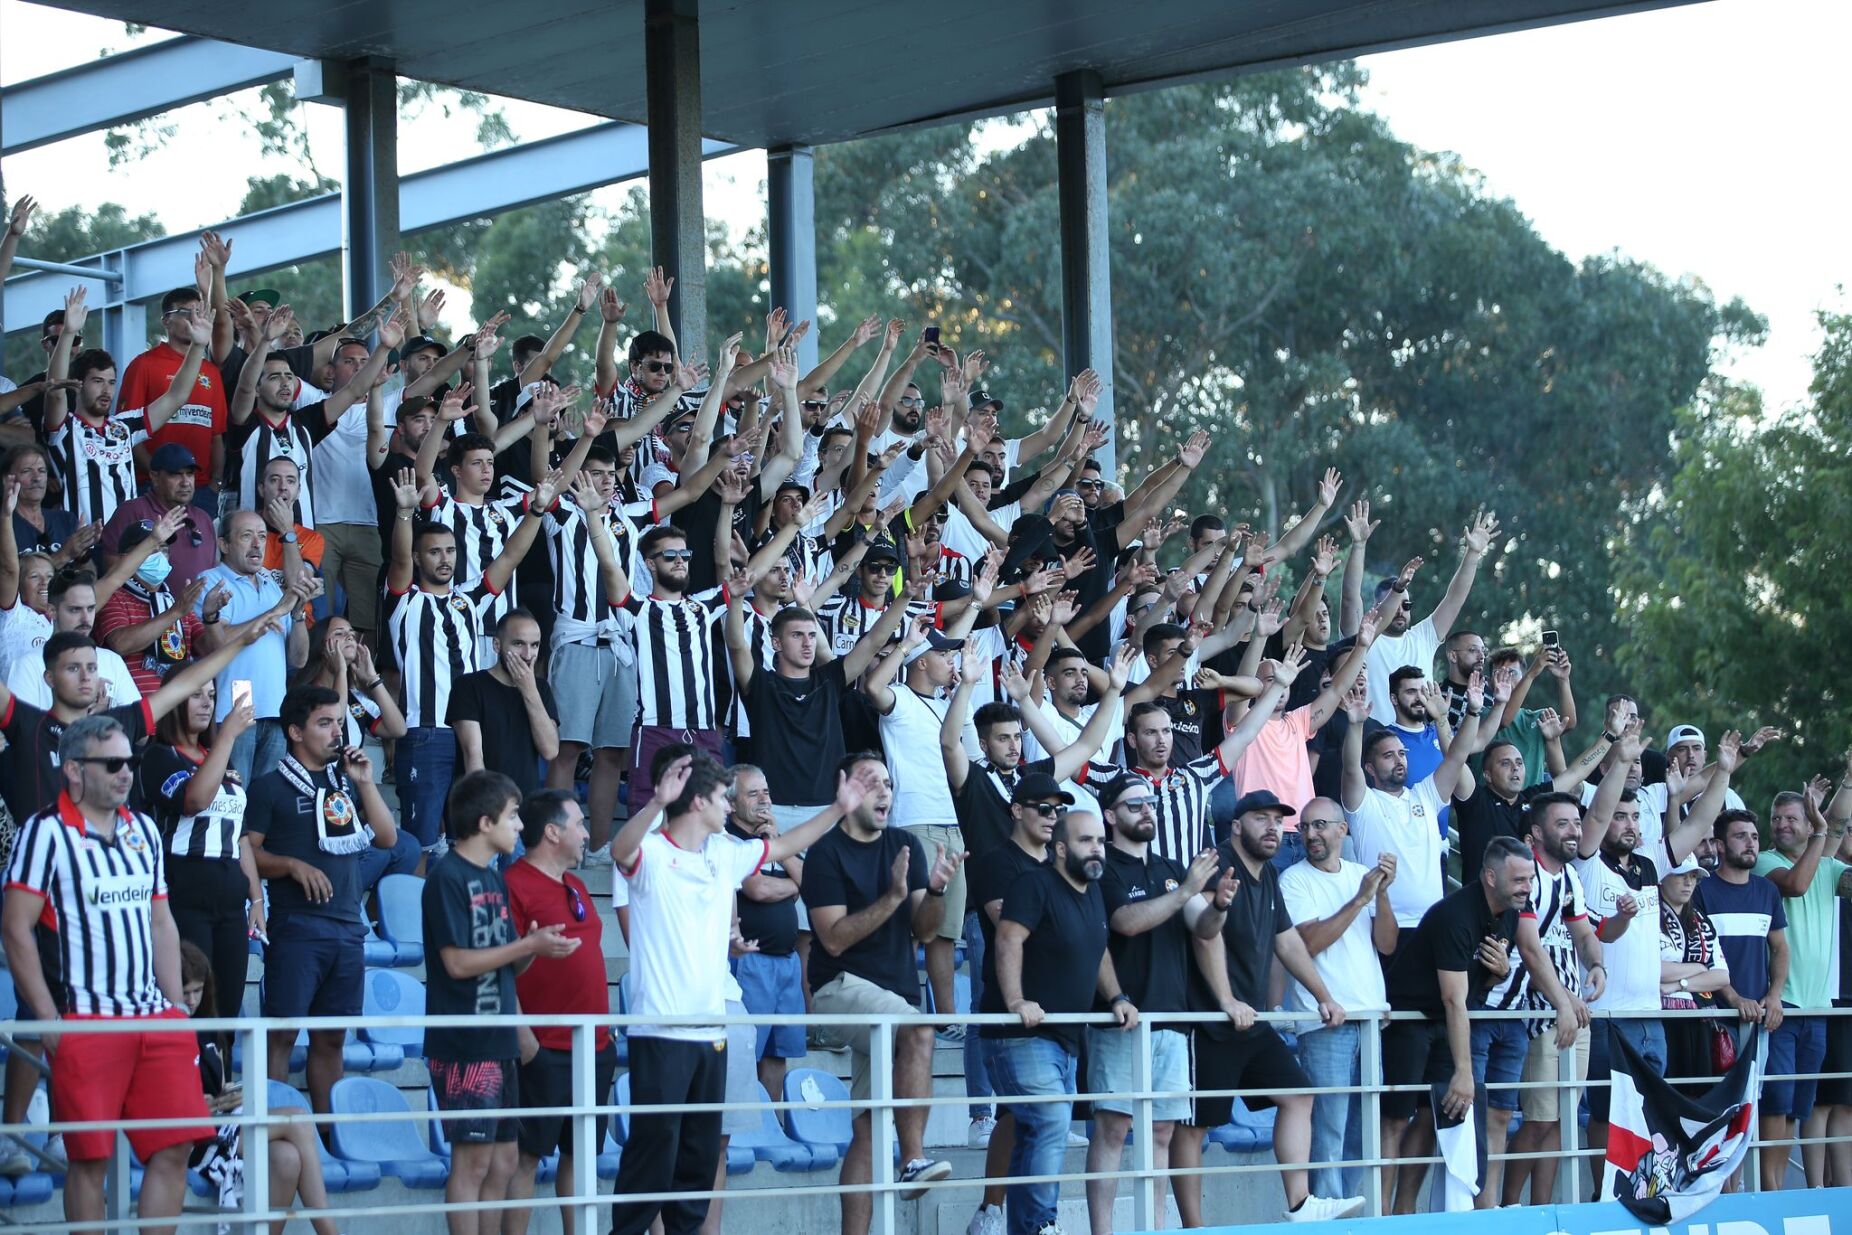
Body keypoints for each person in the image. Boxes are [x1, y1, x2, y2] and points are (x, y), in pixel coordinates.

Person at [609, 750, 863, 1235]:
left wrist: (837, 809)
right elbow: (622, 852)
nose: (730, 808)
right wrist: (654, 803)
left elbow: (785, 844)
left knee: (698, 1165)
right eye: (723, 798)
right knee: (650, 1163)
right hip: (661, 1033)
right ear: (698, 800)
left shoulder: (723, 854)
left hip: (713, 1034)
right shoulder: (654, 852)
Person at [1, 714, 214, 1235]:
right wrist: (52, 1024)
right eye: (113, 763)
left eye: (131, 762)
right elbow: (15, 929)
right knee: (90, 1160)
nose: (126, 773)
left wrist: (175, 1009)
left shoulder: (143, 829)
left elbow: (161, 922)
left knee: (175, 1146)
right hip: (86, 1022)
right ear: (73, 770)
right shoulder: (44, 833)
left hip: (152, 1019)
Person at [1178, 784, 1366, 1224]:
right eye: (1262, 818)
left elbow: (1289, 945)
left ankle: (1301, 1205)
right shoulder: (1217, 864)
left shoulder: (1268, 876)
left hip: (1251, 1018)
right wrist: (1225, 999)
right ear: (1236, 825)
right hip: (1209, 1020)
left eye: (1279, 821)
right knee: (1195, 1126)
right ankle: (1193, 1228)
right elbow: (1204, 933)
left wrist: (1325, 997)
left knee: (1299, 1096)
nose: (1273, 827)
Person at [803, 752, 966, 1235]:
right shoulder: (825, 852)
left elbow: (922, 930)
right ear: (844, 788)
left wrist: (934, 891)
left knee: (869, 1130)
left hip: (891, 999)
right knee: (919, 1027)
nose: (883, 791)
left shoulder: (904, 843)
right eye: (869, 781)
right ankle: (913, 1158)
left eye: (888, 783)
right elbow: (831, 939)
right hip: (837, 990)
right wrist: (893, 896)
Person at [425, 770, 578, 1235]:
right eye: (513, 816)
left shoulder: (493, 878)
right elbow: (456, 963)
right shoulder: (447, 876)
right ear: (485, 821)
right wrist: (526, 948)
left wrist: (531, 947)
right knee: (472, 1163)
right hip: (463, 1040)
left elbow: (508, 966)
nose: (519, 826)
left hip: (499, 1038)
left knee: (506, 1158)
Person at [386, 464, 559, 859]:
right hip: (424, 730)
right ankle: (411, 916)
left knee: (464, 840)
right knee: (421, 842)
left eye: (450, 551)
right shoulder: (404, 601)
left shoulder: (469, 600)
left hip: (473, 732)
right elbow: (398, 561)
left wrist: (535, 512)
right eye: (434, 552)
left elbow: (512, 554)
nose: (445, 559)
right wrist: (404, 514)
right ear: (419, 556)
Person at [245, 684, 403, 1114]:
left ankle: (330, 1138)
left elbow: (388, 838)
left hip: (348, 928)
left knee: (331, 1037)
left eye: (338, 722)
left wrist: (366, 783)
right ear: (295, 732)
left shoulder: (346, 783)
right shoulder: (269, 787)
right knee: (281, 1034)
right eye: (324, 723)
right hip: (296, 928)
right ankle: (269, 1135)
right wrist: (292, 866)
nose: (337, 732)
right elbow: (248, 851)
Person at [1084, 775, 1231, 1235]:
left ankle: (1155, 1228)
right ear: (1110, 815)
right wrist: (1187, 891)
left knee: (1163, 1133)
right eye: (1134, 804)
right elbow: (1124, 923)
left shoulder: (1169, 868)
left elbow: (1202, 929)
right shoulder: (1102, 868)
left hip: (1172, 1017)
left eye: (1149, 802)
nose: (1146, 809)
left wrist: (1218, 906)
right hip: (1121, 1018)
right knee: (1113, 1128)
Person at [989, 809, 1137, 1235]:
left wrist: (1117, 996)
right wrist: (1016, 999)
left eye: (1099, 840)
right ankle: (1042, 1224)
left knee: (1035, 1134)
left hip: (1066, 1039)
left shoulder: (1092, 892)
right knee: (1052, 1120)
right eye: (1085, 841)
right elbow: (1008, 938)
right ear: (1058, 848)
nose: (1096, 848)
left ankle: (1026, 1229)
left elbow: (1098, 950)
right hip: (1022, 1035)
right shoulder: (1034, 884)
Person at [1378, 836, 1530, 1214]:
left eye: (1530, 879)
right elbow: (1453, 997)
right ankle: (1381, 1218)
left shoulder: (1509, 911)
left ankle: (1404, 1209)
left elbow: (1478, 982)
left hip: (1447, 1020)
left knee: (1436, 1113)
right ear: (1491, 877)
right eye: (1519, 880)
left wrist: (1500, 974)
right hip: (1409, 1018)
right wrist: (1464, 1071)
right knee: (1396, 1118)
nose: (1527, 888)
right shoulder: (1455, 915)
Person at [504, 790, 618, 1235]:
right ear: (551, 832)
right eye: (578, 825)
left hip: (594, 1043)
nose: (587, 833)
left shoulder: (576, 884)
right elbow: (499, 968)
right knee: (526, 1156)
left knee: (582, 1151)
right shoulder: (512, 883)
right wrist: (525, 1039)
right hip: (543, 1045)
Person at [962, 770, 1067, 1235]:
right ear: (1016, 811)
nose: (1052, 817)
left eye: (1058, 809)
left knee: (1022, 1117)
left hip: (1058, 1009)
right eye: (1043, 808)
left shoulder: (1060, 865)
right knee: (1035, 1117)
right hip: (1008, 1008)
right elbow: (1010, 922)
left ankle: (1002, 1214)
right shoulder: (994, 862)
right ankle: (1022, 1217)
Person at [178, 941, 342, 1235]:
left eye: (196, 991)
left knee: (287, 1159)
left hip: (221, 1123)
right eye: (185, 992)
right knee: (299, 1119)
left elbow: (217, 1086)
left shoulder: (206, 1029)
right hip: (193, 1137)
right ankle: (329, 1231)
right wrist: (201, 1105)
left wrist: (229, 1094)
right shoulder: (165, 1031)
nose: (191, 1000)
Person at [1278, 799, 1397, 1205]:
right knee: (1328, 1127)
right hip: (1324, 1022)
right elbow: (1308, 943)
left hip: (1369, 1020)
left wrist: (1381, 895)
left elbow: (1387, 943)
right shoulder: (1293, 880)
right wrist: (1362, 898)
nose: (1311, 834)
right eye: (1305, 827)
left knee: (1362, 1133)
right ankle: (1326, 1214)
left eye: (1320, 825)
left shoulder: (1361, 876)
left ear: (1342, 830)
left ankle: (1348, 1212)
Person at [138, 676, 266, 1039]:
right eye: (195, 694)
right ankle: (190, 1092)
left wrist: (256, 897)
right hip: (184, 888)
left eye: (211, 695)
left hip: (230, 895)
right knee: (194, 1003)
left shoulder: (217, 755)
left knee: (226, 1011)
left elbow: (240, 836)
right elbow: (193, 801)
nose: (207, 703)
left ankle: (220, 1089)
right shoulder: (158, 755)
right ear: (174, 700)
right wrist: (227, 736)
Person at [1755, 781, 1852, 1187]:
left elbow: (1839, 824)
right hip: (1782, 1005)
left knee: (1797, 1108)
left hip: (1818, 1007)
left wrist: (1847, 780)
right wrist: (1819, 830)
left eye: (1792, 818)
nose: (1781, 825)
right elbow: (1796, 883)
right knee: (1775, 1106)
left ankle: (1789, 1193)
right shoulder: (1763, 863)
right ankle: (1773, 1191)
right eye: (1776, 819)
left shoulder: (1829, 868)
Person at [44, 291, 210, 525]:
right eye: (97, 381)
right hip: (83, 549)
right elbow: (55, 391)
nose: (106, 391)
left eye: (111, 382)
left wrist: (198, 346)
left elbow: (176, 397)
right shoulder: (66, 428)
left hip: (129, 545)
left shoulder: (124, 426)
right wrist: (69, 334)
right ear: (77, 385)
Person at [1692, 806, 1791, 1188]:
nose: (1750, 843)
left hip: (1759, 1022)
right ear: (1719, 844)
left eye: (1753, 836)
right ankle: (1722, 1193)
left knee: (1751, 1104)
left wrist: (1775, 996)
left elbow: (1780, 949)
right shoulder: (1701, 890)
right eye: (1739, 836)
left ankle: (1745, 1194)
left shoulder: (1767, 891)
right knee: (1720, 1108)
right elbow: (1697, 954)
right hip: (1713, 1021)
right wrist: (1732, 997)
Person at [192, 507, 314, 786]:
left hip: (275, 710)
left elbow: (299, 658)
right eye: (246, 536)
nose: (257, 544)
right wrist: (273, 613)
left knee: (262, 809)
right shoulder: (211, 581)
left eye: (262, 536)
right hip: (232, 712)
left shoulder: (272, 585)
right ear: (224, 544)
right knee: (235, 799)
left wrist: (295, 613)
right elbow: (217, 642)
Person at [1360, 511, 1498, 725]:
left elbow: (1454, 599)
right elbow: (1350, 599)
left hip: (1420, 740)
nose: (1400, 611)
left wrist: (1473, 553)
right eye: (1394, 604)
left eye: (1406, 605)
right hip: (1375, 745)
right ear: (1376, 607)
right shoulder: (1362, 642)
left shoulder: (1422, 637)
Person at [725, 765, 808, 1098]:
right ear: (731, 802)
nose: (763, 800)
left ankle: (773, 1128)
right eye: (753, 793)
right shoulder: (727, 839)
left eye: (767, 792)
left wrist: (777, 843)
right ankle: (744, 1132)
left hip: (787, 964)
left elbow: (810, 881)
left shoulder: (776, 840)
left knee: (777, 1055)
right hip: (751, 964)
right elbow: (756, 888)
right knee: (748, 1052)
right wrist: (794, 884)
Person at [115, 285, 228, 498]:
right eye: (185, 313)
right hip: (154, 487)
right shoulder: (144, 364)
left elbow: (217, 435)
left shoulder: (211, 371)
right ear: (166, 321)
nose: (193, 319)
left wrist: (216, 482)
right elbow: (126, 430)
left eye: (198, 312)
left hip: (202, 490)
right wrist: (157, 476)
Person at [447, 608, 560, 799]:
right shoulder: (468, 686)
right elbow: (473, 756)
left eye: (534, 645)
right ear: (497, 645)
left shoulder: (541, 690)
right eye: (518, 644)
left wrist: (529, 689)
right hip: (483, 802)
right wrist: (488, 808)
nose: (527, 654)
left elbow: (550, 750)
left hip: (526, 808)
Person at [94, 517, 210, 698]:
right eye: (151, 550)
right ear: (128, 559)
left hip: (177, 712)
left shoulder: (175, 600)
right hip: (135, 713)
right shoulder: (112, 597)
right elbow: (121, 643)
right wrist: (174, 613)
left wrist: (212, 617)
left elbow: (207, 648)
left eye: (163, 550)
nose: (159, 555)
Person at [98, 442, 218, 588]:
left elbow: (211, 570)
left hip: (195, 609)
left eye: (190, 474)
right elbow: (111, 569)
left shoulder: (203, 518)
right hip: (144, 608)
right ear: (154, 477)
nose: (185, 482)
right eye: (175, 474)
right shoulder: (132, 511)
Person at [1658, 855, 1730, 1089]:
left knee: (1696, 1094)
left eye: (1693, 877)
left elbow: (1721, 976)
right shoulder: (1648, 916)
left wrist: (1679, 984)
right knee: (1662, 1094)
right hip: (1660, 1019)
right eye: (1681, 875)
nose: (1689, 883)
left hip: (1700, 1019)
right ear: (1662, 877)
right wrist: (1699, 969)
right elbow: (1653, 970)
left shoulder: (1701, 920)